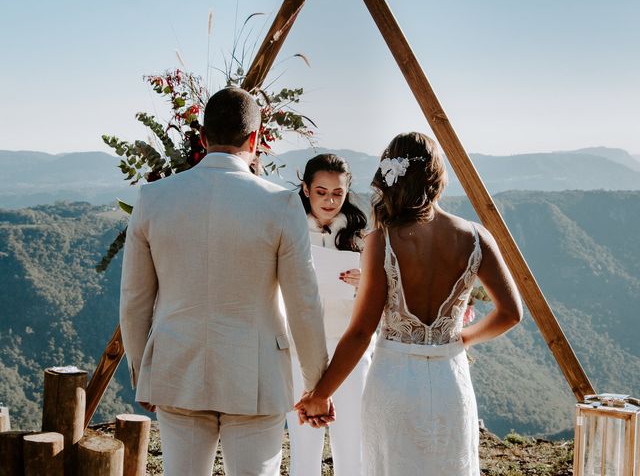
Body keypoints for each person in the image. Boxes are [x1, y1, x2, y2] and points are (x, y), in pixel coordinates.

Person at [119, 87, 330, 476]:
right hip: (257, 375)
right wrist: (318, 386)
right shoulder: (280, 204)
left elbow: (134, 299)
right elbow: (304, 301)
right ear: (254, 138)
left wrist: (142, 372)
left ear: (202, 138)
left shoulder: (152, 198)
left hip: (177, 367)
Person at [295, 132, 523, 475]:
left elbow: (360, 332)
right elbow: (511, 313)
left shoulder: (381, 242)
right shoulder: (476, 237)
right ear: (437, 176)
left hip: (393, 384)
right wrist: (463, 338)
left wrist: (320, 393)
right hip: (450, 381)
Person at [286, 153, 370, 476]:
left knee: (352, 442)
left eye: (338, 193)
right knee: (304, 443)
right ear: (306, 189)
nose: (330, 201)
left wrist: (366, 282)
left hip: (349, 346)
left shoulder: (361, 234)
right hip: (300, 346)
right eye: (321, 192)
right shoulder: (290, 229)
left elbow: (388, 292)